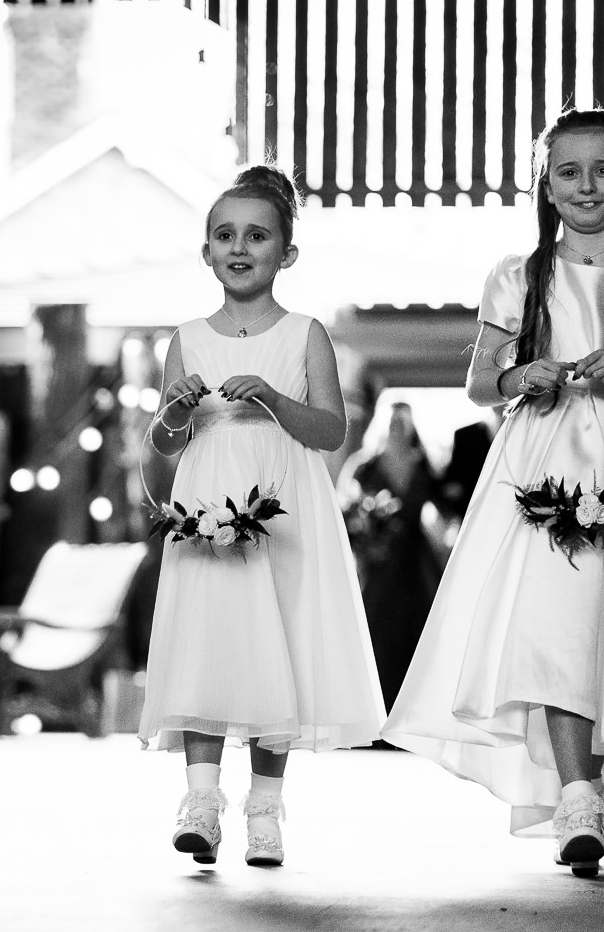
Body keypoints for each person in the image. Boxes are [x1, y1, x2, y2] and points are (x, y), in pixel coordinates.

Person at [382, 109, 604, 876]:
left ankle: (591, 784)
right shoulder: (520, 275)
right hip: (540, 463)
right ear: (547, 184)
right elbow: (478, 383)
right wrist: (518, 375)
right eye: (568, 172)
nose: (586, 186)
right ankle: (577, 797)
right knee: (556, 626)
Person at [137, 166, 385, 868]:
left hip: (283, 503)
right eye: (225, 235)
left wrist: (276, 398)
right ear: (206, 252)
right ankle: (202, 804)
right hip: (207, 496)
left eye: (257, 235)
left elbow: (330, 429)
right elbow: (161, 447)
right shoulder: (185, 337)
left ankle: (267, 810)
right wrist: (174, 415)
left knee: (280, 641)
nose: (239, 247)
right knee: (206, 640)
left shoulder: (305, 333)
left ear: (287, 253)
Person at [337, 401, 442, 714]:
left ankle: (408, 715)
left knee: (415, 631)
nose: (397, 428)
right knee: (374, 631)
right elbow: (345, 506)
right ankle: (369, 713)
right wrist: (364, 526)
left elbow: (445, 505)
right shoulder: (365, 464)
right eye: (392, 422)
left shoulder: (425, 464)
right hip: (376, 559)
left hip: (414, 560)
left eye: (403, 423)